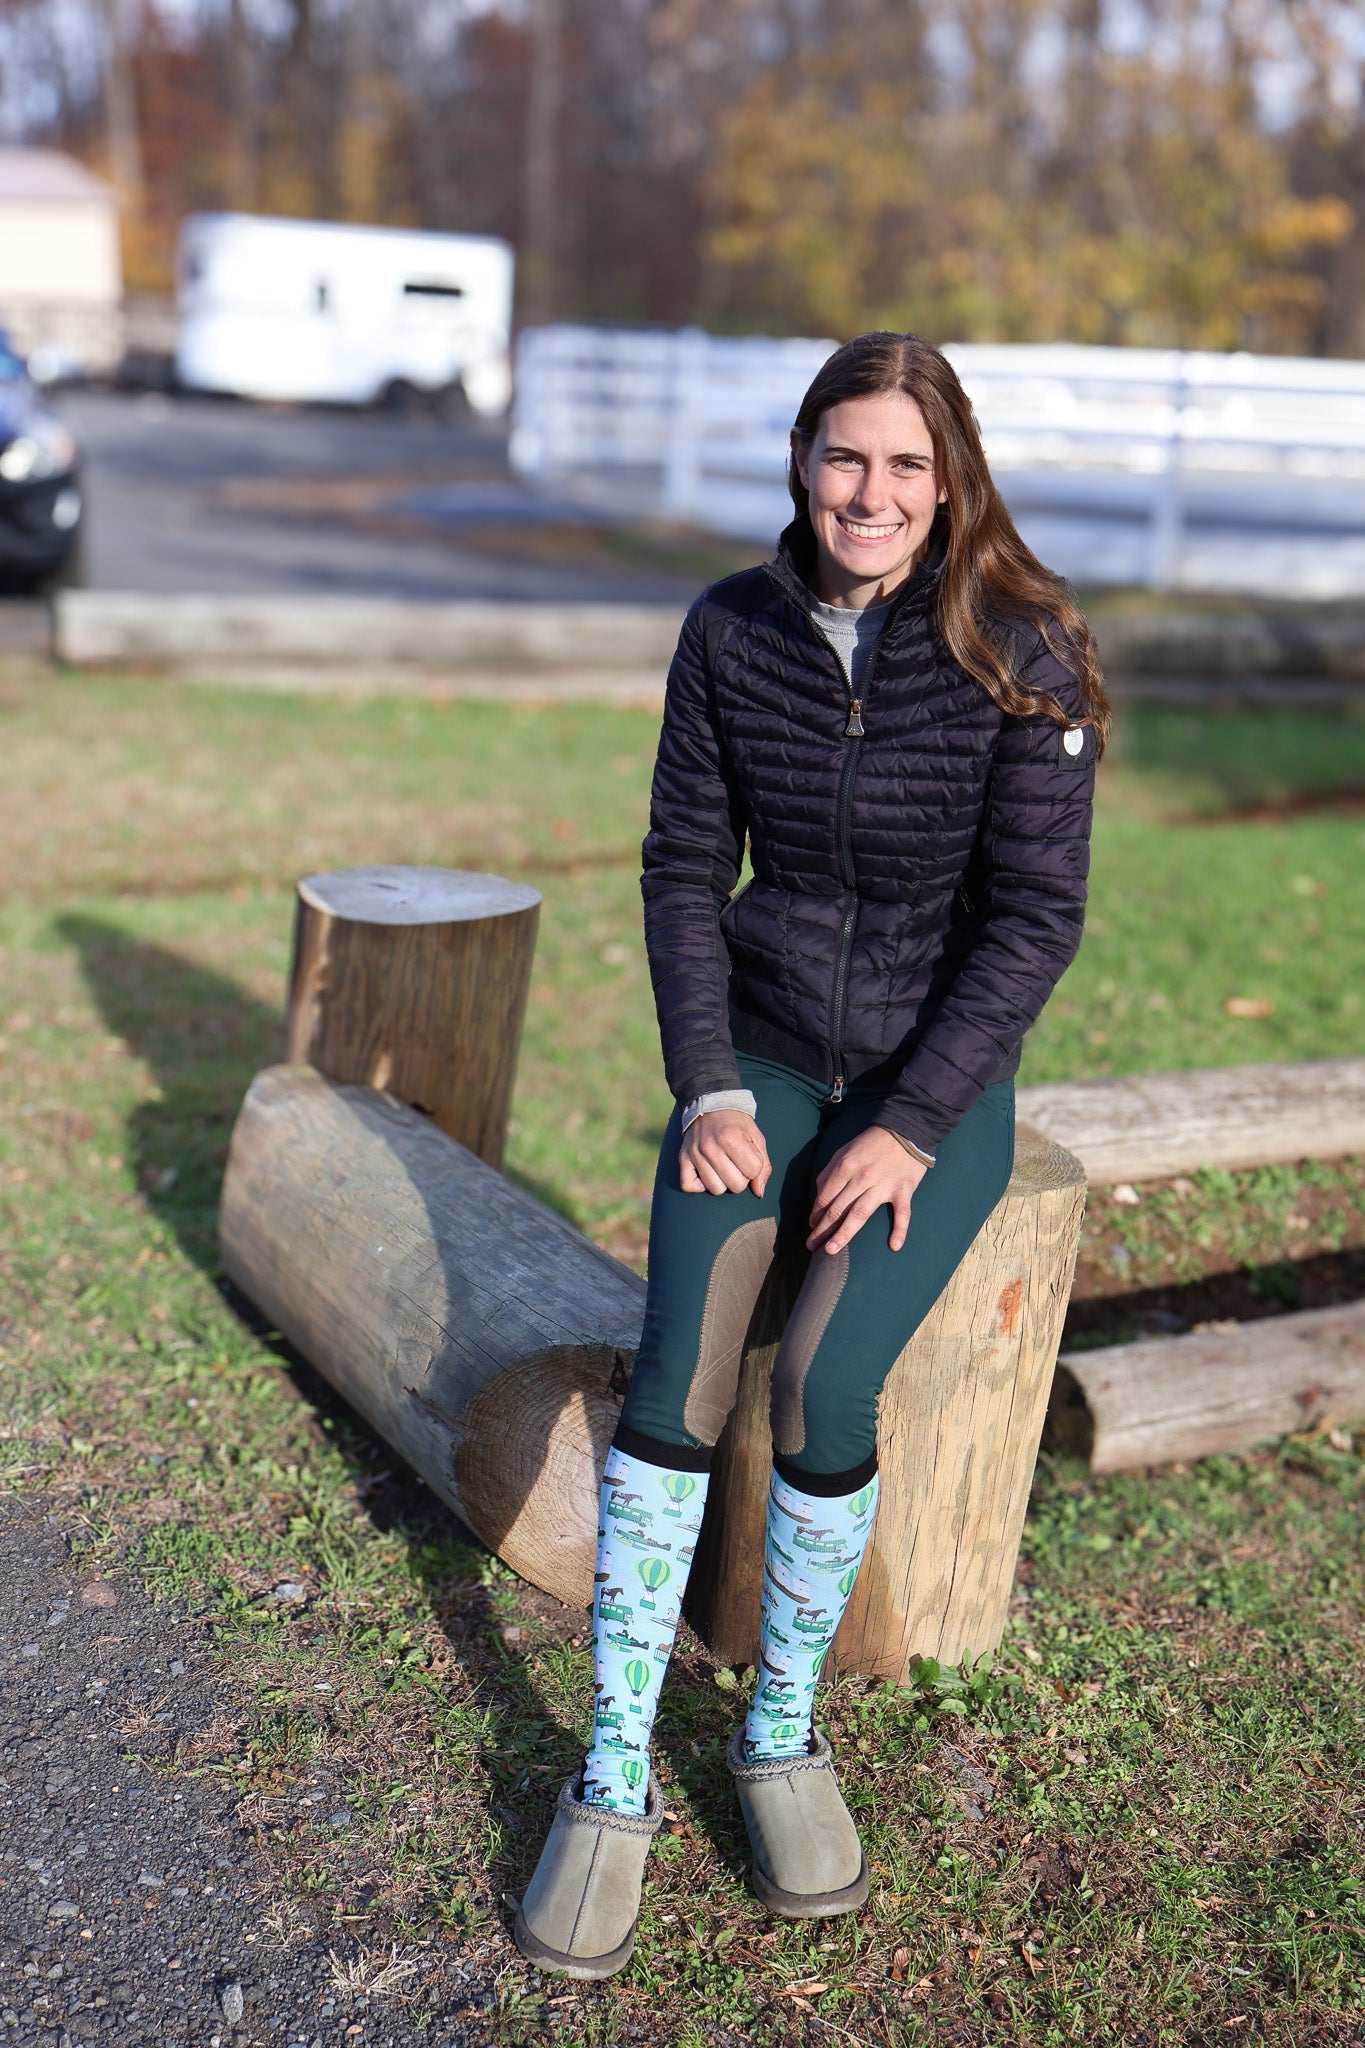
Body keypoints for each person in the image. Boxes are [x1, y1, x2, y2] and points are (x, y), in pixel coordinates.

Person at [512, 330, 1110, 1980]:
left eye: (908, 466)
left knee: (819, 1391)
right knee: (676, 1381)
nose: (873, 492)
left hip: (928, 1077)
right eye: (847, 456)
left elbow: (1035, 920)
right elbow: (680, 869)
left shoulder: (1022, 650)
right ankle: (614, 1770)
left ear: (951, 480)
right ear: (800, 460)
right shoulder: (728, 631)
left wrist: (914, 1125)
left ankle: (779, 1733)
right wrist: (706, 1085)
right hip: (761, 1060)